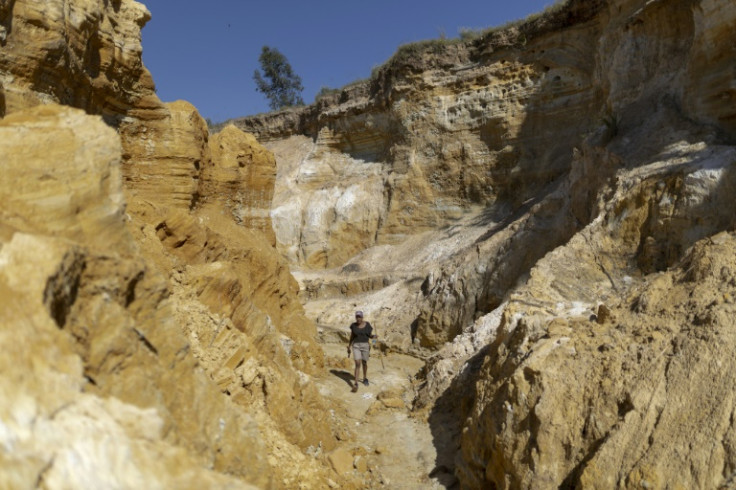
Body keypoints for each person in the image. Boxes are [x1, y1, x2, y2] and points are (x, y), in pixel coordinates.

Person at [347, 310, 376, 392]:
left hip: (365, 345)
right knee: (357, 363)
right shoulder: (353, 326)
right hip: (356, 345)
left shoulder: (367, 325)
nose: (358, 318)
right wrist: (349, 346)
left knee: (364, 363)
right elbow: (352, 336)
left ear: (362, 317)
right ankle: (356, 383)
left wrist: (374, 337)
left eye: (359, 317)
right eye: (357, 317)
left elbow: (370, 336)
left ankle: (364, 378)